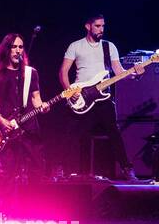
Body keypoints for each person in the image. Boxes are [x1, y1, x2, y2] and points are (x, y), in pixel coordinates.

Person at [59, 13, 144, 179]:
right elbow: (63, 72)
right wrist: (70, 92)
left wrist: (135, 75)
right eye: (97, 26)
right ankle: (60, 169)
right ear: (88, 26)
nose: (101, 29)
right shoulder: (75, 46)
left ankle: (127, 169)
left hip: (103, 98)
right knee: (72, 135)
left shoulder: (109, 46)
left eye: (103, 26)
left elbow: (119, 72)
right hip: (81, 97)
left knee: (114, 132)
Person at [0, 33, 51, 183]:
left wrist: (43, 106)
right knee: (6, 173)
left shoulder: (31, 73)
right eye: (13, 47)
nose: (18, 50)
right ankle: (5, 199)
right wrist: (1, 121)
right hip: (7, 128)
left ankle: (33, 198)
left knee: (37, 169)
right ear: (6, 49)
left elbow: (36, 98)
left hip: (29, 128)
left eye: (20, 47)